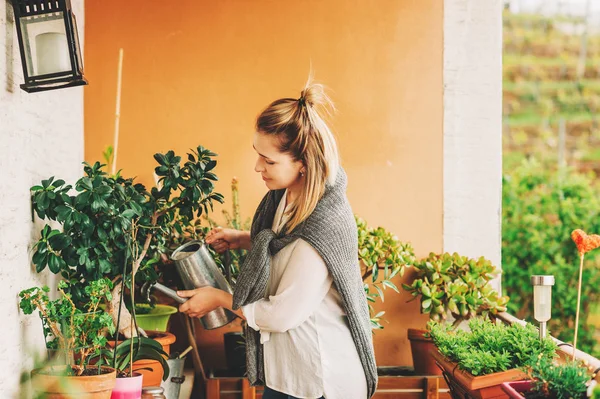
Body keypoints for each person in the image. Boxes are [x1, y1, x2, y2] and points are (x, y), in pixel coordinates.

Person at [177, 79, 377, 399]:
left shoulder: (323, 226)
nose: (258, 167)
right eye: (259, 155)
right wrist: (245, 239)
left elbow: (281, 315)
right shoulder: (285, 196)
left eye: (269, 161)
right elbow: (284, 244)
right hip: (287, 369)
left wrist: (218, 298)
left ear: (303, 164)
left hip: (320, 378)